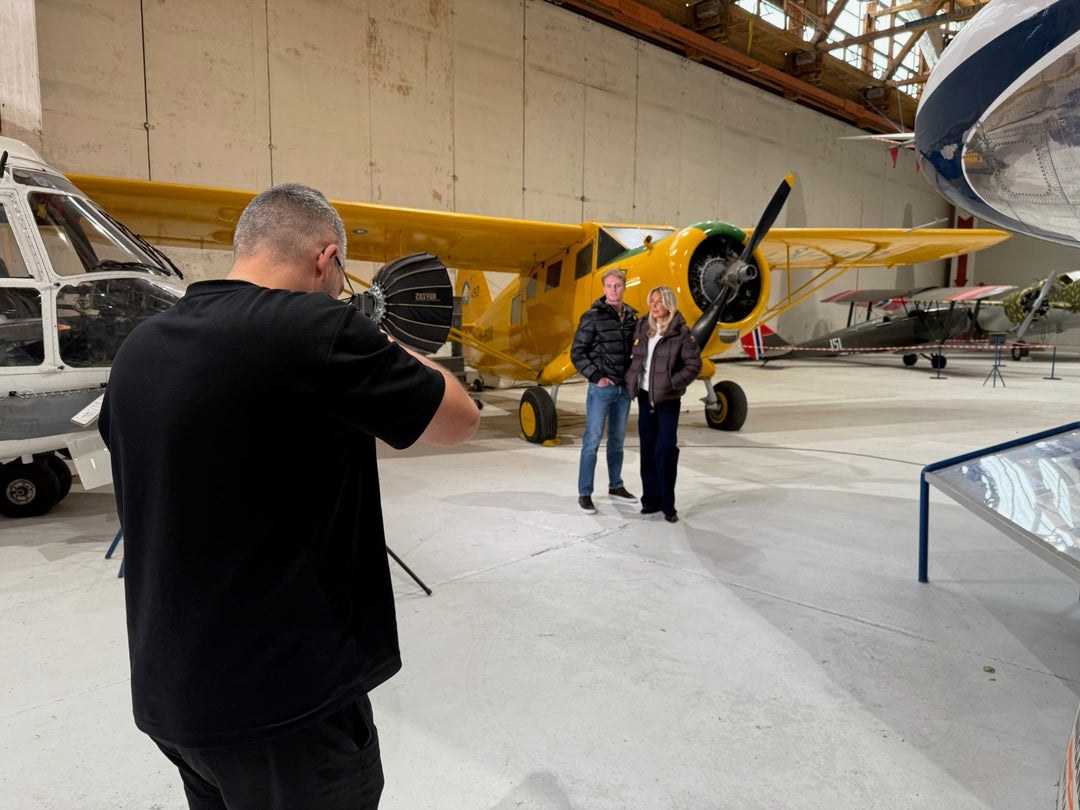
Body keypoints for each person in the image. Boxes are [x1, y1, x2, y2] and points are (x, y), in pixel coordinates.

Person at [98, 183, 479, 810]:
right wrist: (369, 329)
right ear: (326, 260)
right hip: (286, 710)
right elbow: (458, 418)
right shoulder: (313, 327)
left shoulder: (140, 348)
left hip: (174, 699)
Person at [625, 285, 702, 524]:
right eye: (652, 300)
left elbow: (693, 365)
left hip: (668, 400)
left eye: (659, 301)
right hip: (645, 397)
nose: (654, 305)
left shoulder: (681, 333)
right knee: (647, 449)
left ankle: (668, 504)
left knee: (666, 448)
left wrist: (672, 383)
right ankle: (650, 500)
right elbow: (633, 355)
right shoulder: (642, 327)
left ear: (669, 303)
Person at [570, 267, 639, 514]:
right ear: (603, 289)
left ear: (624, 287)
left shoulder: (632, 317)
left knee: (618, 441)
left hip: (623, 391)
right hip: (601, 390)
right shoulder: (592, 316)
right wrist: (596, 377)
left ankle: (616, 486)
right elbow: (577, 352)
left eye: (617, 285)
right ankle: (585, 493)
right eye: (609, 286)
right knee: (592, 440)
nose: (613, 290)